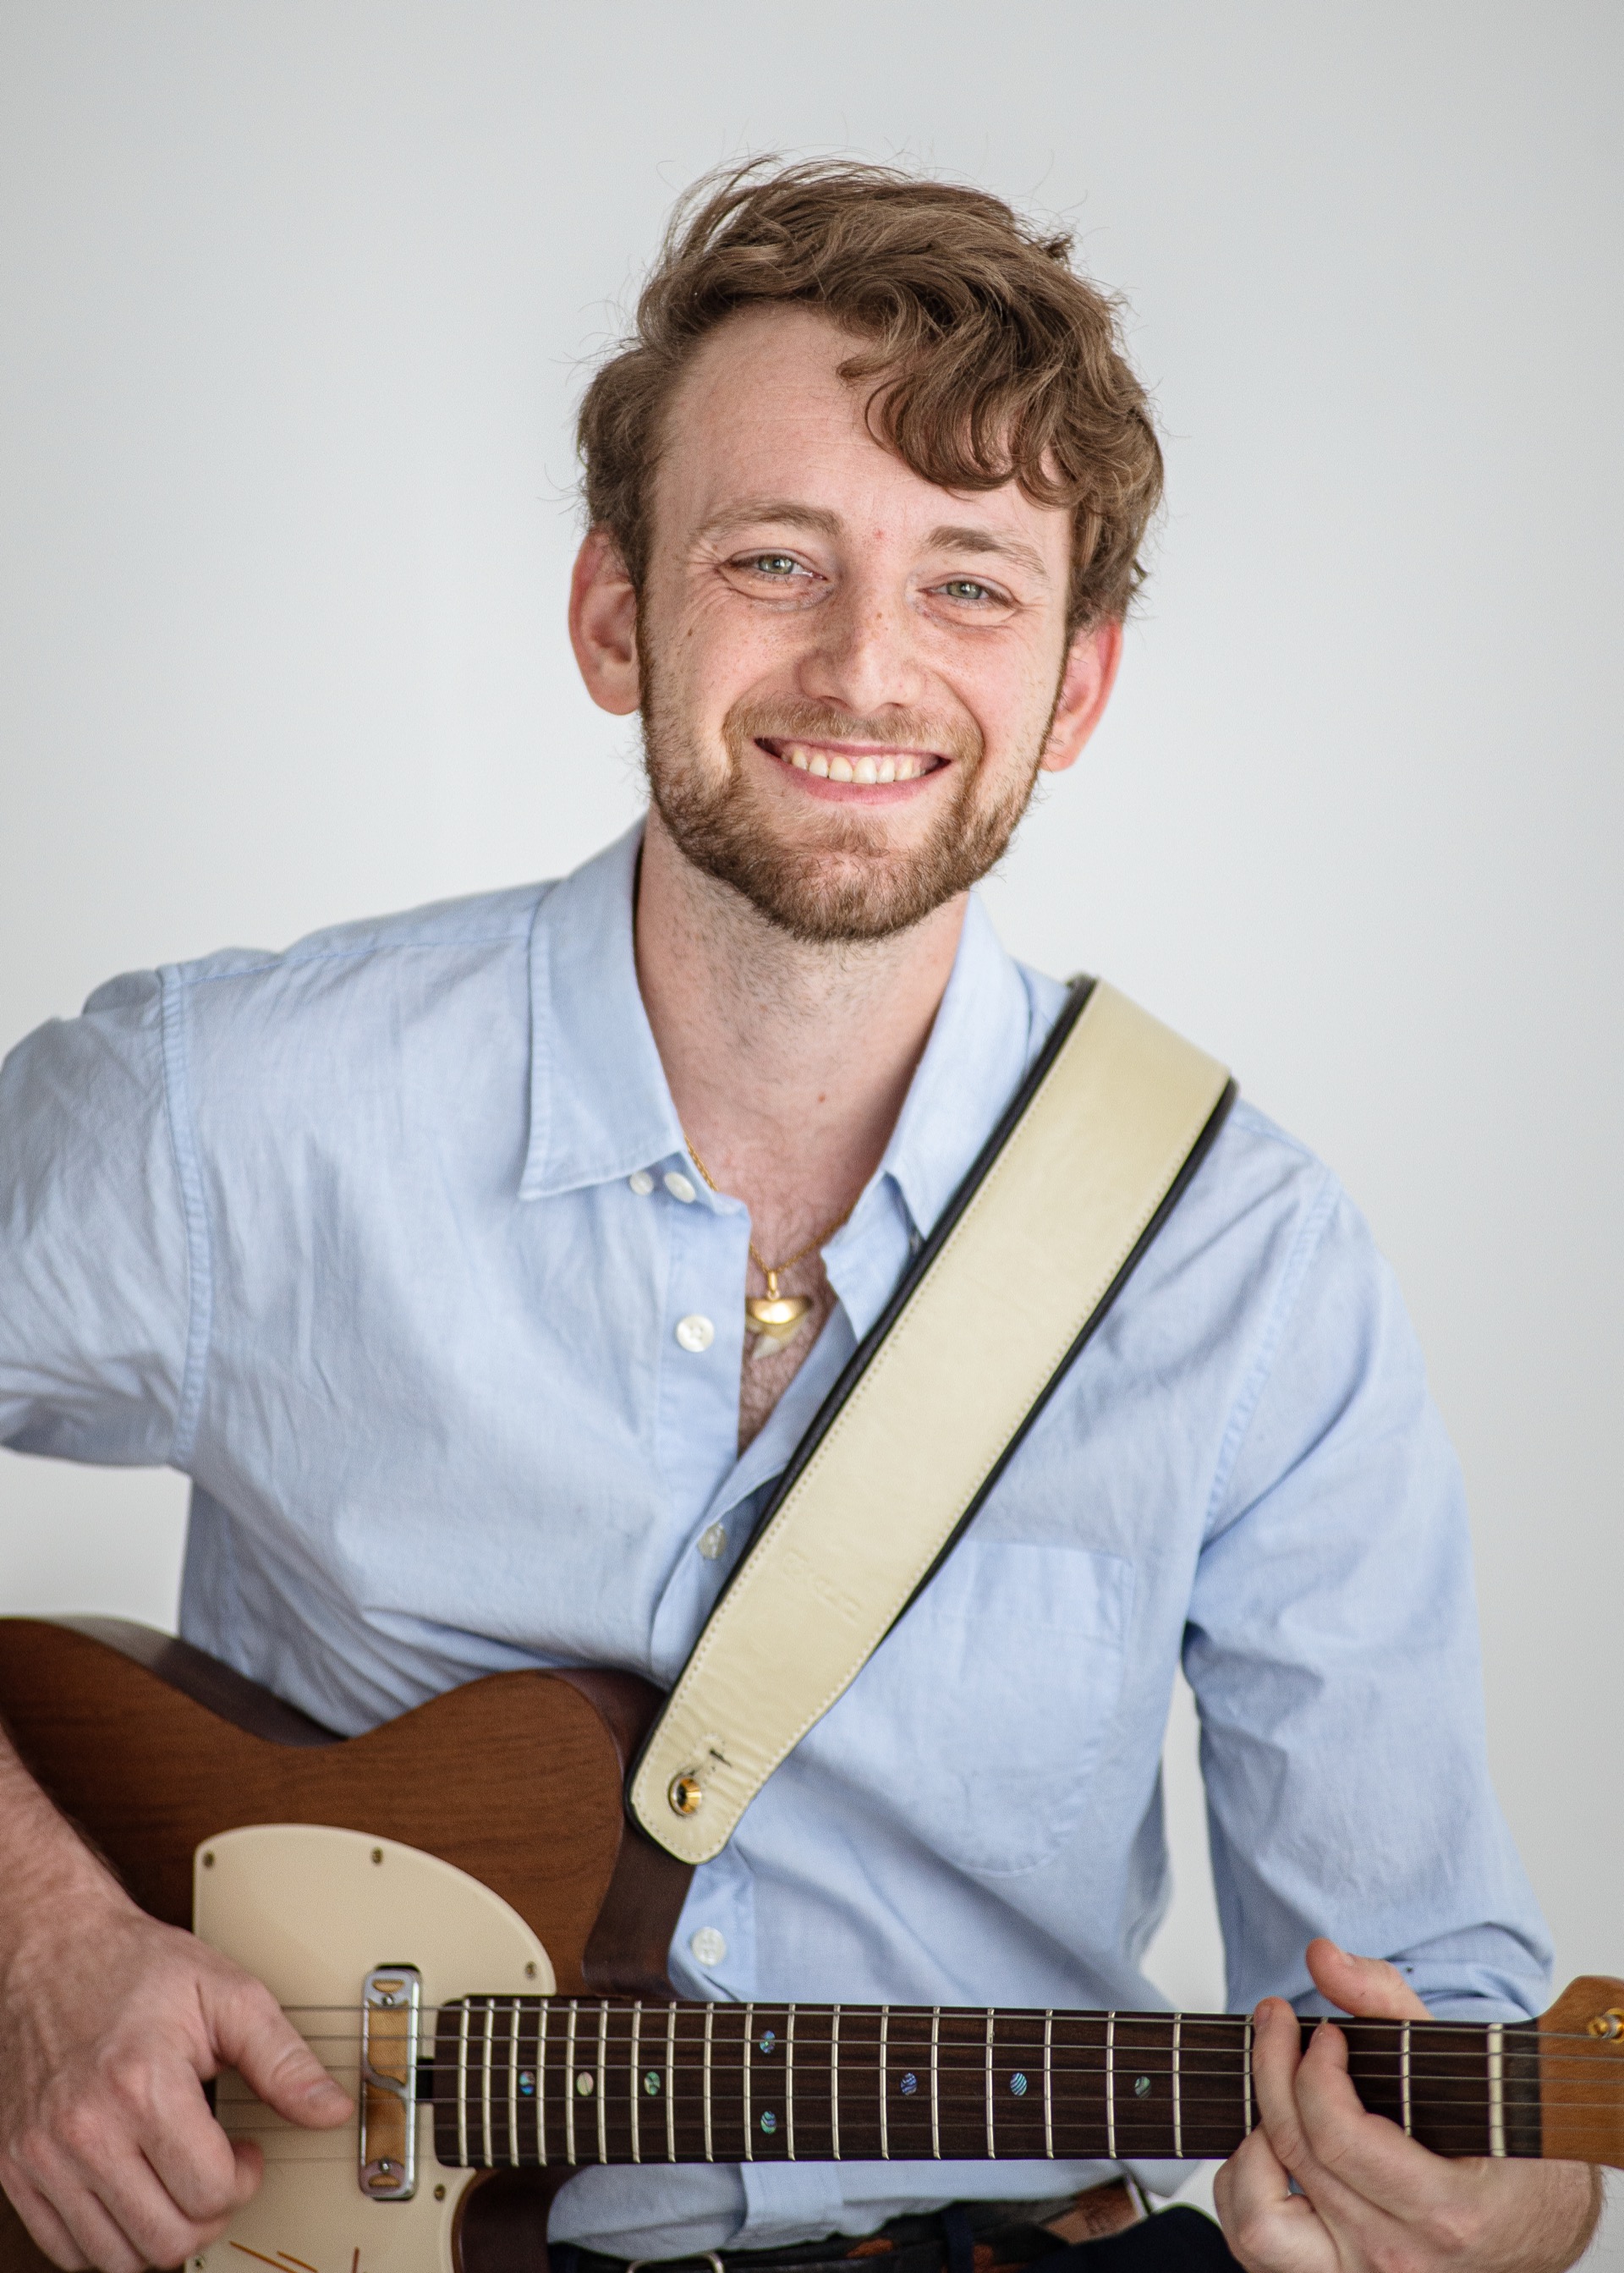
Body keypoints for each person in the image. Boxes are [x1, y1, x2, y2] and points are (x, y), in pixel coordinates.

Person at [0, 160, 1599, 2273]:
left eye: (970, 587)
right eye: (775, 559)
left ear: (1076, 687)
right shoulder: (231, 1107)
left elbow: (1449, 2024)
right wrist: (41, 1945)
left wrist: (1498, 2210)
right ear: (615, 617)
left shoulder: (1250, 1270)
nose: (865, 668)